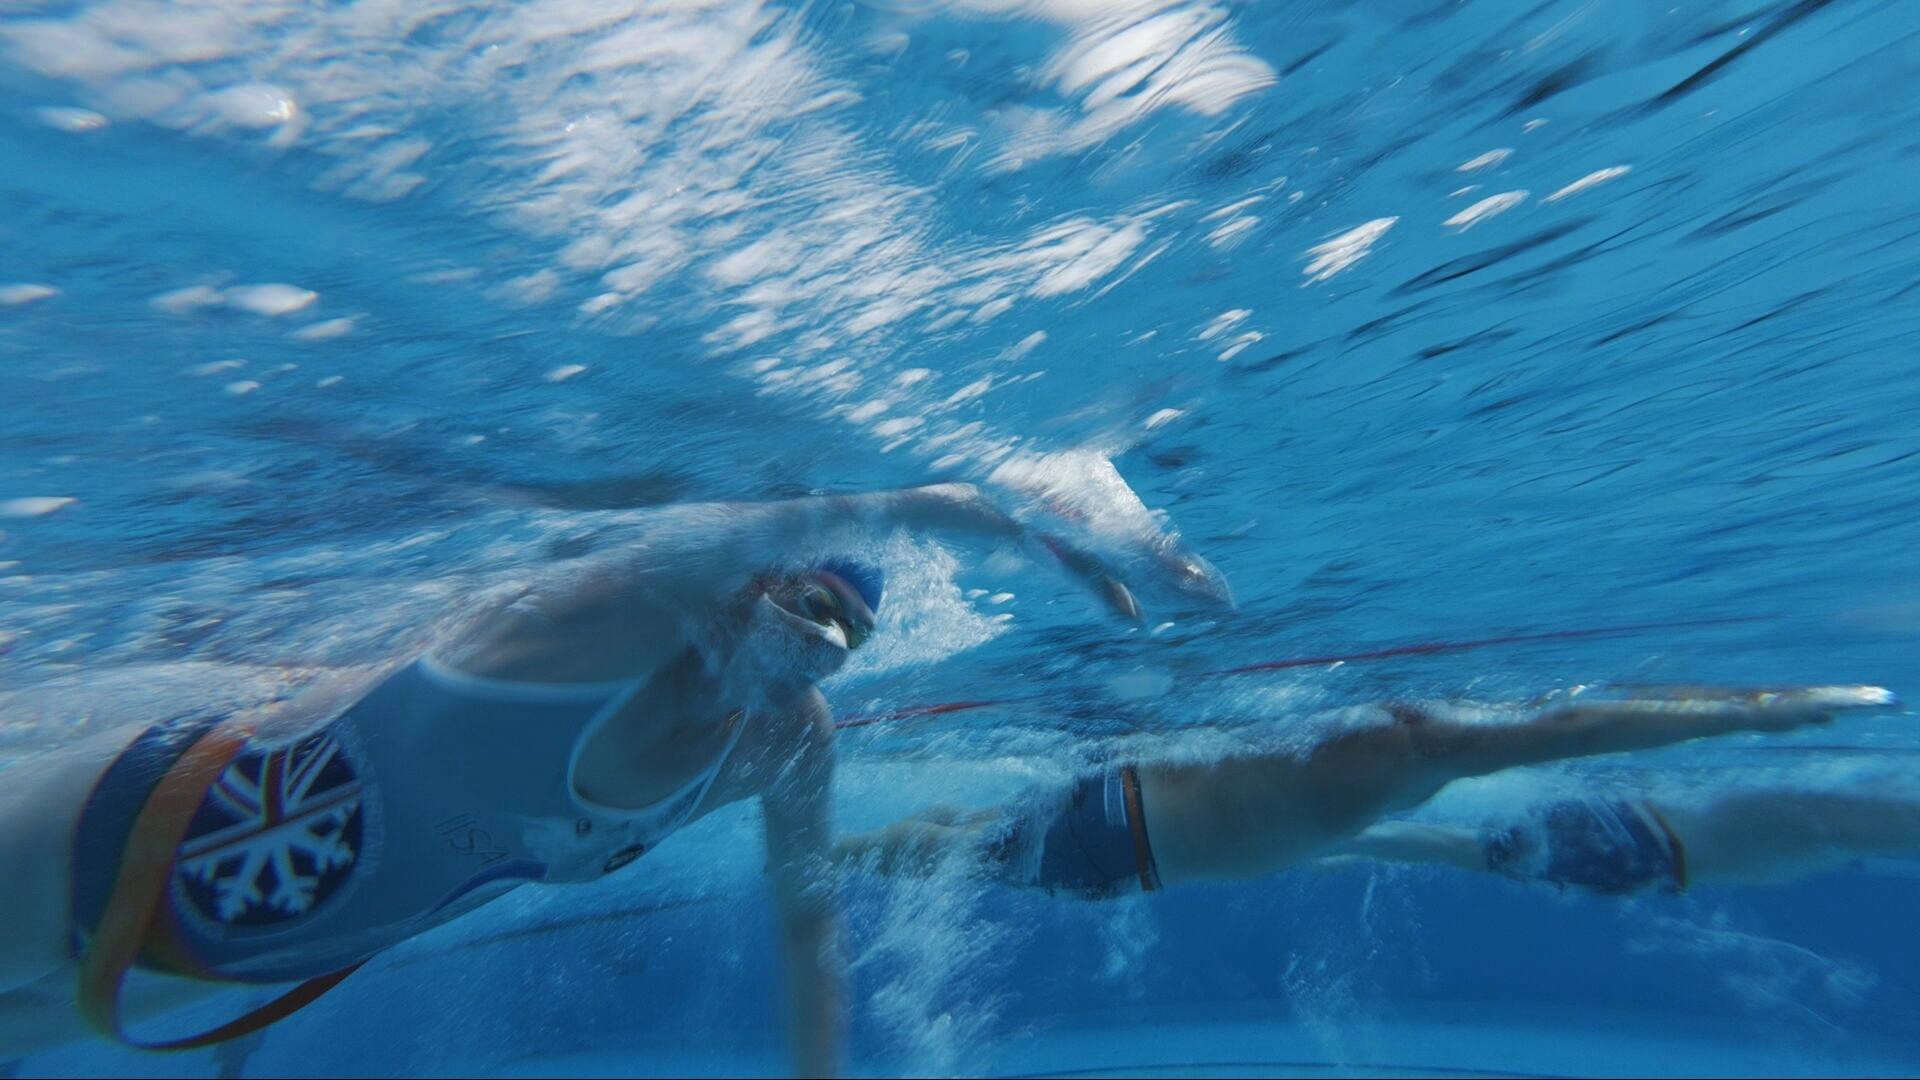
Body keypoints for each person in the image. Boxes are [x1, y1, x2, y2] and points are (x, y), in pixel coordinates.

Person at [0, 482, 1225, 1076]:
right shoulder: (602, 631)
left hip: (199, 966)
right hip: (107, 831)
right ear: (746, 584)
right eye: (805, 601)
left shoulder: (788, 743)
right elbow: (885, 503)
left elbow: (810, 937)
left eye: (847, 632)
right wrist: (1028, 528)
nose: (818, 641)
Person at [836, 687, 1899, 900]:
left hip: (1118, 811)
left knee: (958, 834)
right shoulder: (1411, 757)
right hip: (1120, 854)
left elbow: (1575, 729)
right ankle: (830, 858)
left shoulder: (1359, 744)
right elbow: (1575, 729)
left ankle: (829, 854)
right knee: (956, 846)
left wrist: (1745, 714)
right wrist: (1743, 714)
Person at [1331, 769, 1920, 896]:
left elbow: (1435, 845)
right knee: (1835, 821)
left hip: (1650, 848)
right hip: (1653, 844)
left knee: (1834, 822)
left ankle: (1327, 842)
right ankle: (1328, 843)